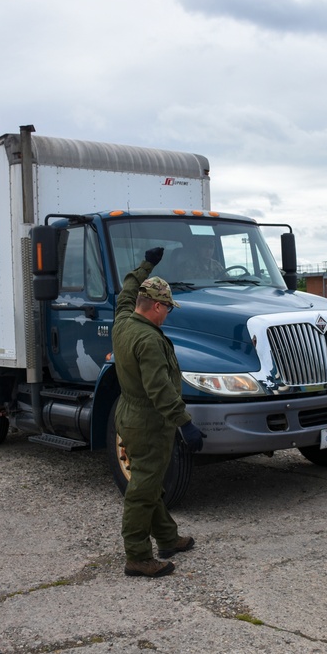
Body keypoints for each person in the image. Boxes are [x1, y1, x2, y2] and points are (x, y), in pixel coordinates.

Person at [111, 246, 205, 578]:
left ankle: (166, 537)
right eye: (166, 308)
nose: (167, 314)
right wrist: (185, 424)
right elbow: (160, 390)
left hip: (127, 414)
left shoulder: (123, 319)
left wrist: (147, 264)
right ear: (154, 306)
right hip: (148, 422)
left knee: (148, 483)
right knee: (143, 489)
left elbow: (126, 289)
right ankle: (137, 555)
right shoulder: (148, 341)